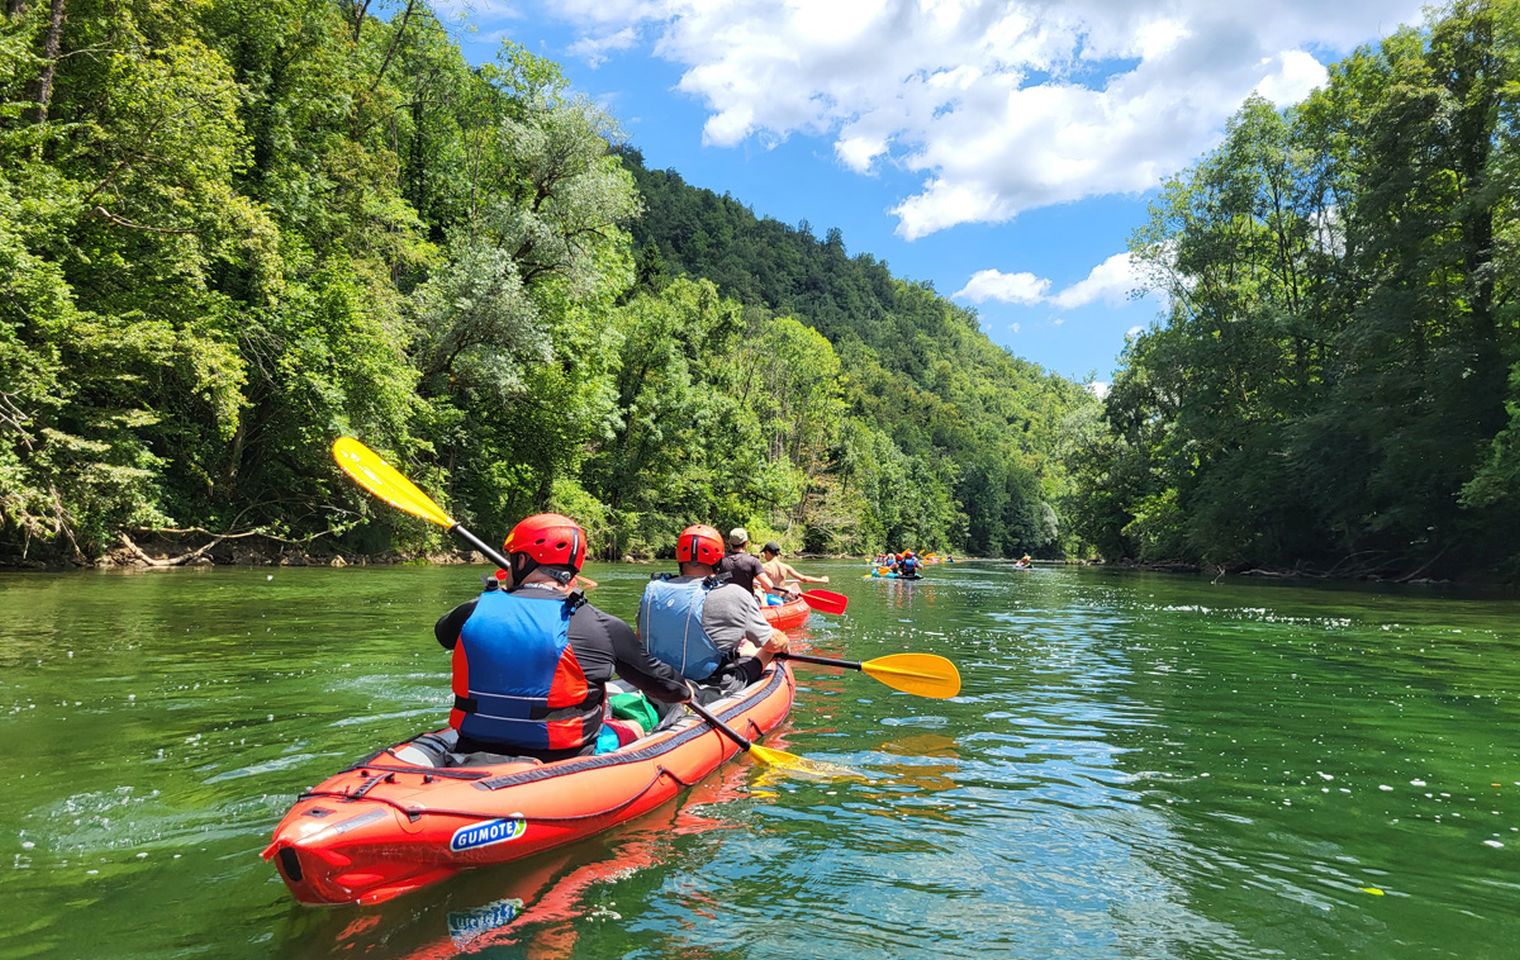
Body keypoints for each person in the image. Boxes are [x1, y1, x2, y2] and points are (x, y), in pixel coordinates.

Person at [433, 513, 691, 763]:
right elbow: (667, 687)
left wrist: (494, 598)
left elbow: (443, 633)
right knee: (634, 725)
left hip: (472, 745)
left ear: (522, 562)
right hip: (561, 757)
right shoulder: (602, 625)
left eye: (512, 559)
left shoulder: (474, 611)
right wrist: (686, 691)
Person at [639, 524, 789, 697]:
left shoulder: (653, 591)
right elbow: (772, 643)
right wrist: (784, 642)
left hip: (657, 680)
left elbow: (641, 636)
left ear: (678, 557)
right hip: (707, 686)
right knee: (763, 648)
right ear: (719, 559)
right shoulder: (734, 593)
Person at [716, 527, 775, 596]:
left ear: (729, 542)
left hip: (724, 600)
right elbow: (769, 586)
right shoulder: (753, 561)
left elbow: (714, 578)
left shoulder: (719, 559)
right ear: (746, 543)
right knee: (759, 593)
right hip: (745, 603)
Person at [759, 541, 829, 598]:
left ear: (768, 552)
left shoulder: (763, 567)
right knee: (787, 588)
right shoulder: (786, 567)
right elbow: (804, 579)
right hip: (780, 598)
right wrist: (822, 580)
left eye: (765, 553)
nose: (764, 556)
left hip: (768, 599)